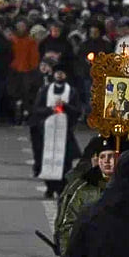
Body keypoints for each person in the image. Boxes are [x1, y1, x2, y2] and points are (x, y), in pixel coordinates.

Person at [34, 68, 82, 197]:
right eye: (57, 73)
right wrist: (51, 110)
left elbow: (77, 111)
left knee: (65, 162)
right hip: (47, 132)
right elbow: (37, 109)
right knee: (47, 159)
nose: (59, 75)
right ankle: (49, 187)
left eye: (62, 73)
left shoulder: (72, 92)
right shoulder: (45, 90)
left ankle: (62, 188)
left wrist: (65, 106)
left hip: (65, 133)